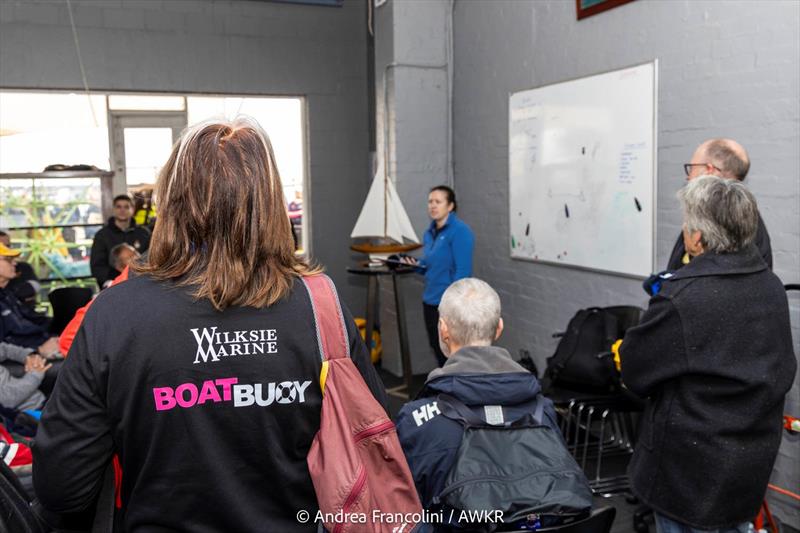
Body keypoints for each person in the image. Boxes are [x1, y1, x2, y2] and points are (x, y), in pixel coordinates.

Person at [33, 117, 387, 532]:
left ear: (172, 202)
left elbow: (62, 486)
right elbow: (373, 440)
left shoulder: (115, 313)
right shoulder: (319, 306)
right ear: (269, 202)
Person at [621, 176, 796, 533]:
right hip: (747, 466)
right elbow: (782, 371)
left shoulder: (683, 297)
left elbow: (635, 373)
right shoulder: (771, 287)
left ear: (697, 239)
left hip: (687, 475)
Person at [396, 278, 559, 510]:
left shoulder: (415, 420)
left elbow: (401, 505)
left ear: (443, 329)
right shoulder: (544, 410)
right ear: (499, 327)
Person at [667, 138, 771, 271]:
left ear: (708, 170)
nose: (688, 177)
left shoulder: (726, 221)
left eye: (692, 168)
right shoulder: (744, 218)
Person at [402, 185, 474, 366]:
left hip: (449, 305)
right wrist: (415, 266)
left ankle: (457, 391)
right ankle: (446, 388)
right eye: (430, 202)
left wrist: (453, 305)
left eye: (438, 202)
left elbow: (463, 272)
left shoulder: (460, 232)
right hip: (430, 301)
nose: (433, 206)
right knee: (437, 348)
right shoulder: (429, 233)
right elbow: (431, 266)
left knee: (453, 354)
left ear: (450, 206)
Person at [0, 243, 58, 352]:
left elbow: (28, 320)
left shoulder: (7, 295)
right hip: (25, 357)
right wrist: (38, 351)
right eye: (8, 259)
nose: (14, 263)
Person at [90, 194, 151, 289]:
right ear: (113, 209)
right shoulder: (102, 235)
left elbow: (150, 259)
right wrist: (117, 279)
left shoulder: (144, 233)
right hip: (112, 286)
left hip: (141, 284)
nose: (122, 210)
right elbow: (97, 266)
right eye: (118, 207)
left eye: (126, 207)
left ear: (133, 209)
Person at [0, 342, 51, 411]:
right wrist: (35, 375)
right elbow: (8, 401)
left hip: (43, 401)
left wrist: (31, 357)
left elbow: (5, 349)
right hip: (27, 416)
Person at [0, 230, 41, 309]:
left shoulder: (23, 267)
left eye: (8, 246)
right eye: (7, 259)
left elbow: (35, 286)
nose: (14, 263)